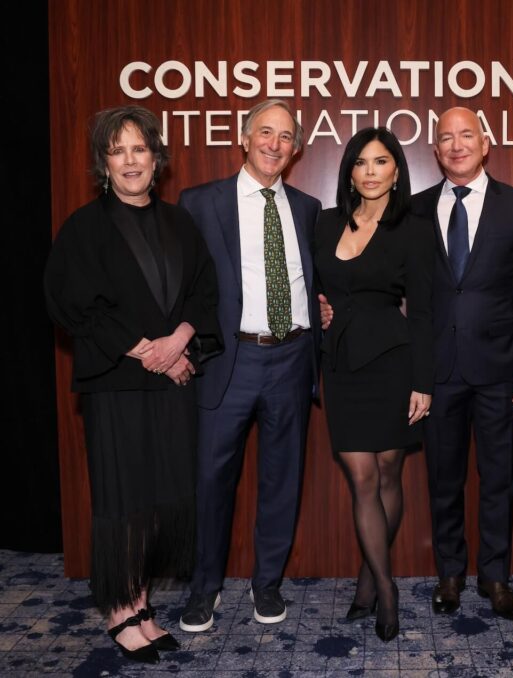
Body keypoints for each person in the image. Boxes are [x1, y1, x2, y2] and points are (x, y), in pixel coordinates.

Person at [43, 106, 222, 663]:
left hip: (172, 388)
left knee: (157, 501)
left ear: (156, 158)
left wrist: (181, 341)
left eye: (139, 149)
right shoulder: (84, 226)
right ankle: (121, 612)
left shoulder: (179, 222)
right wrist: (151, 351)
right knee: (122, 500)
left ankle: (141, 604)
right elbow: (73, 302)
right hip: (118, 384)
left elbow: (203, 293)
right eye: (117, 151)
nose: (129, 161)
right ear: (104, 163)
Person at [177, 100, 321, 633]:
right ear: (243, 137)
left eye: (286, 137)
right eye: (265, 132)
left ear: (296, 148)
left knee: (283, 478)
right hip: (228, 361)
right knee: (212, 480)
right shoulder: (199, 202)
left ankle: (268, 584)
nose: (274, 144)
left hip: (291, 356)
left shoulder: (307, 207)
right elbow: (184, 287)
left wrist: (320, 308)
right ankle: (204, 589)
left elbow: (314, 278)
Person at [414, 107, 513, 621]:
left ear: (485, 143)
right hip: (438, 372)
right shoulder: (416, 208)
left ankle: (495, 577)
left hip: (500, 372)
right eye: (445, 137)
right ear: (436, 148)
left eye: (465, 135)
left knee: (499, 480)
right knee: (443, 480)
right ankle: (450, 575)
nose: (456, 145)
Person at [314, 127, 434, 641]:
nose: (369, 172)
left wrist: (423, 382)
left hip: (392, 360)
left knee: (388, 474)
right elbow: (312, 287)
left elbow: (426, 311)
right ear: (349, 171)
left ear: (396, 171)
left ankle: (370, 577)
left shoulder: (414, 227)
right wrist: (320, 309)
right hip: (340, 364)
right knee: (361, 477)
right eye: (360, 163)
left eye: (380, 162)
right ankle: (387, 588)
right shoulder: (323, 223)